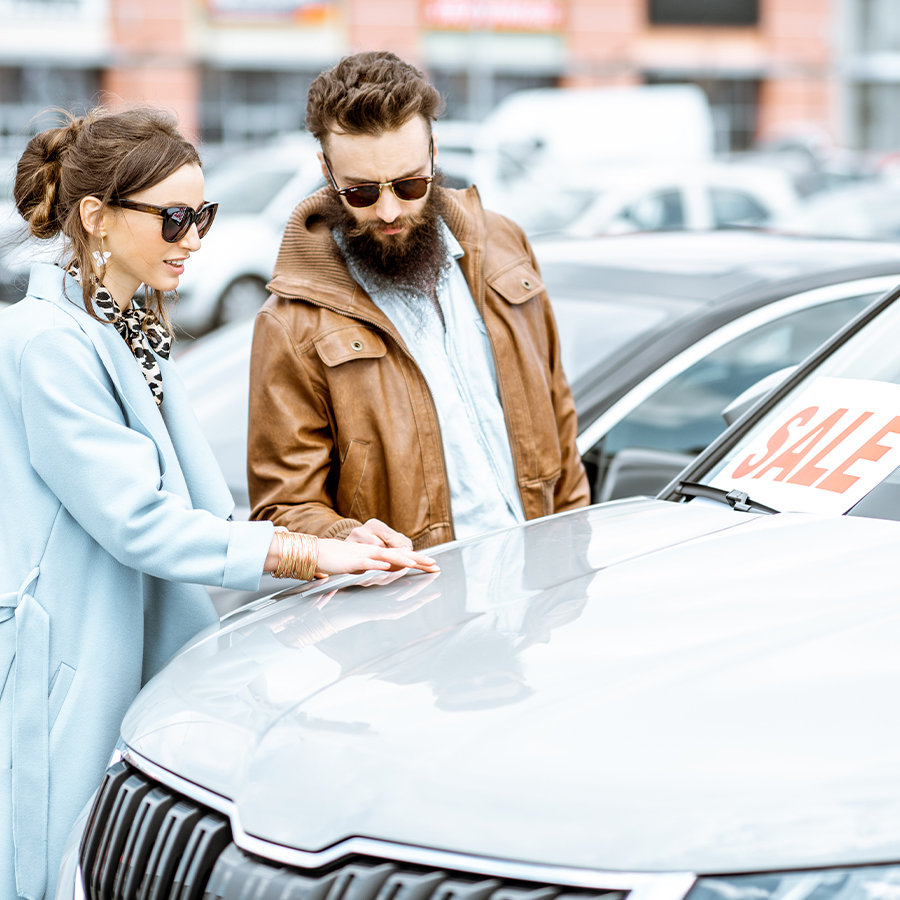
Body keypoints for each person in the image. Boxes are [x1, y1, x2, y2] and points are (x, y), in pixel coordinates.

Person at [0, 105, 438, 900]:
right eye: (172, 218)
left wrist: (337, 543)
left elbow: (200, 519)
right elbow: (142, 524)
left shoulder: (125, 324)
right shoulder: (46, 343)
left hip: (129, 645)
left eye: (202, 213)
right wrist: (311, 553)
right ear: (96, 218)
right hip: (69, 658)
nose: (193, 237)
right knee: (55, 869)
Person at [247, 51, 589, 550]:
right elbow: (283, 510)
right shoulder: (292, 323)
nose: (389, 210)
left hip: (542, 596)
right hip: (420, 615)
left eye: (409, 184)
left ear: (433, 152)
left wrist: (572, 559)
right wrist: (346, 536)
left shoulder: (505, 247)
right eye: (361, 193)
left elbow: (561, 427)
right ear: (326, 171)